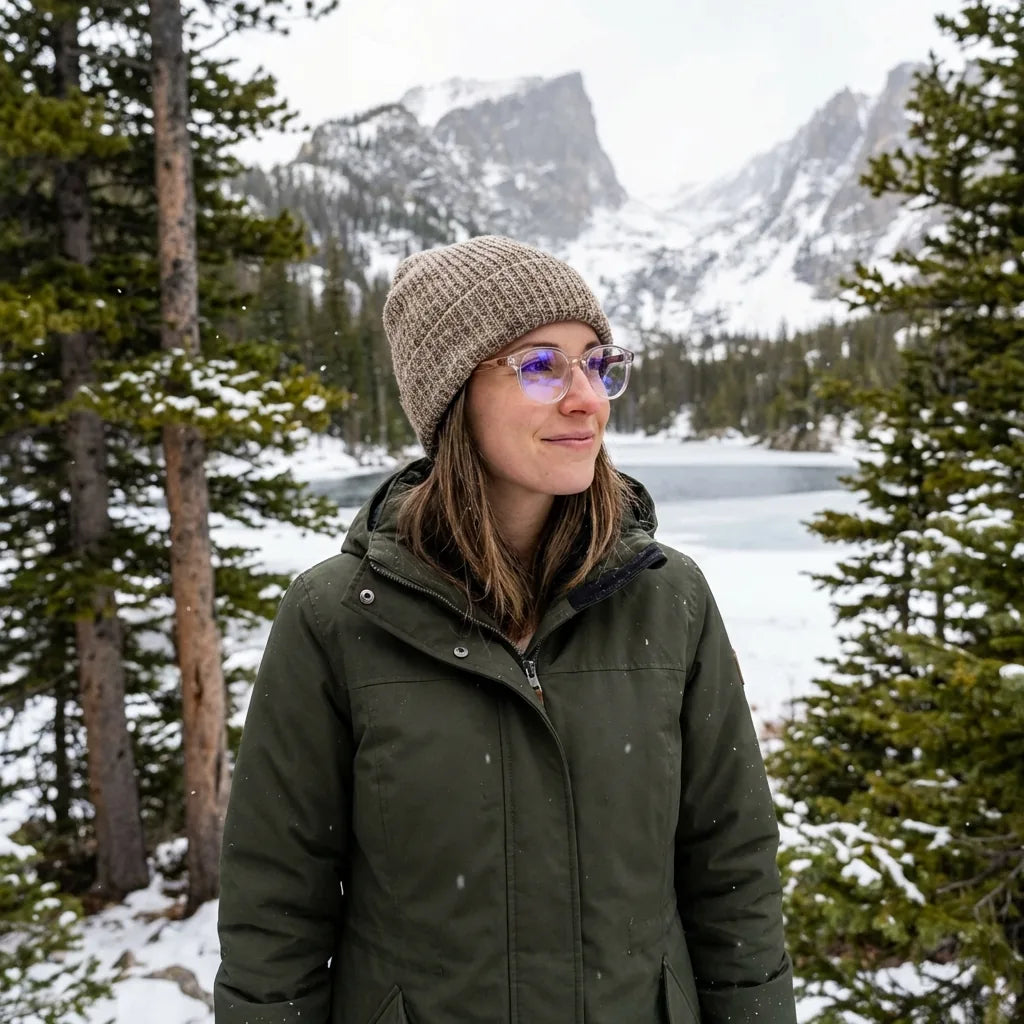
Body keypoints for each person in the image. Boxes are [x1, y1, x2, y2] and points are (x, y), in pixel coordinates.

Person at [214, 235, 798, 1024]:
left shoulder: (669, 599)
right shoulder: (337, 617)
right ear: (454, 396)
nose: (588, 398)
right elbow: (274, 914)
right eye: (542, 366)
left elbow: (733, 872)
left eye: (597, 363)